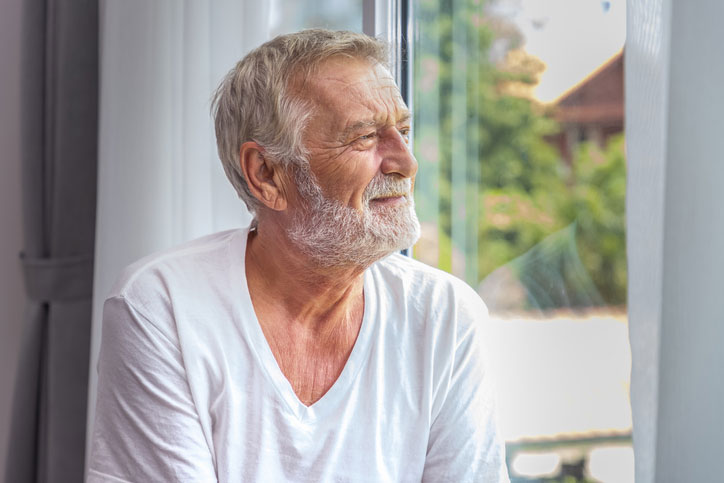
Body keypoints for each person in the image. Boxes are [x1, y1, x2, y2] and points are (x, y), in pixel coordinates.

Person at [87, 29, 509, 482]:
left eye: (403, 132)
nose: (406, 162)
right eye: (365, 137)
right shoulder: (162, 308)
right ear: (266, 174)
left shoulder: (444, 314)